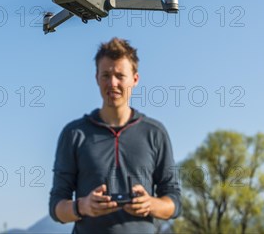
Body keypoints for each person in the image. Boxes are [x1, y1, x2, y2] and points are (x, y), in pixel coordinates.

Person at [49, 37, 181, 233]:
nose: (112, 83)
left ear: (135, 79)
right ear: (96, 78)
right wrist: (83, 206)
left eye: (120, 75)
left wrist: (149, 204)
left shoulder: (155, 132)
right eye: (105, 75)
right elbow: (56, 207)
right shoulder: (74, 134)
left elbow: (174, 202)